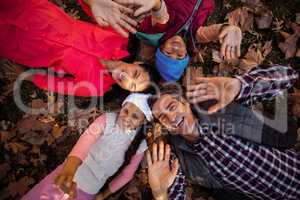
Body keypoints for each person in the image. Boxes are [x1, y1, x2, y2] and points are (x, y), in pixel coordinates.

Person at [148, 65, 300, 199]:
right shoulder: (177, 156)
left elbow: (288, 75)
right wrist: (160, 194)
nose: (171, 118)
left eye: (172, 107)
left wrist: (240, 85)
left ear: (185, 102)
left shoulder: (219, 104)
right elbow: (176, 194)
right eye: (162, 117)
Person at [0, 0, 156, 97]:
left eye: (132, 85)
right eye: (135, 73)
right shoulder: (118, 35)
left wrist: (24, 75)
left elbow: (55, 84)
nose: (127, 78)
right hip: (38, 13)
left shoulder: (95, 88)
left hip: (25, 48)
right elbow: (95, 7)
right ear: (137, 63)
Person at [22, 93, 153, 200]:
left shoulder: (139, 144)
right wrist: (69, 170)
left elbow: (127, 175)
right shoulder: (107, 120)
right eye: (126, 111)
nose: (127, 118)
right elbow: (85, 141)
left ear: (143, 121)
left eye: (135, 116)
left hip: (89, 190)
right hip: (69, 173)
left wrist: (104, 194)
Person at [79, 0, 242, 82]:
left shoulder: (156, 32)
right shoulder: (193, 37)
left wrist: (157, 5)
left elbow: (159, 15)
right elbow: (211, 33)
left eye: (168, 53)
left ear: (160, 47)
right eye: (179, 57)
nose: (176, 49)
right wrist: (229, 28)